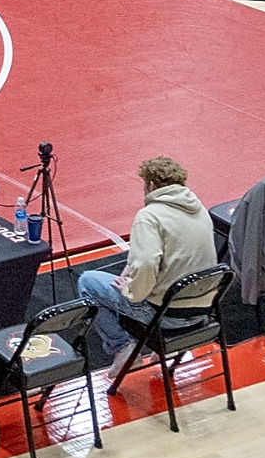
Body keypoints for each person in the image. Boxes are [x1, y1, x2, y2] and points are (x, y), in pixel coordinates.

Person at [76, 156, 219, 378]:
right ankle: (164, 349)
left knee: (88, 282)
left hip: (166, 316)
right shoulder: (199, 208)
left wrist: (131, 291)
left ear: (150, 185)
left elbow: (147, 263)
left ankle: (122, 348)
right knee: (138, 279)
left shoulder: (150, 216)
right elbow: (176, 255)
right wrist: (132, 267)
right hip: (202, 310)